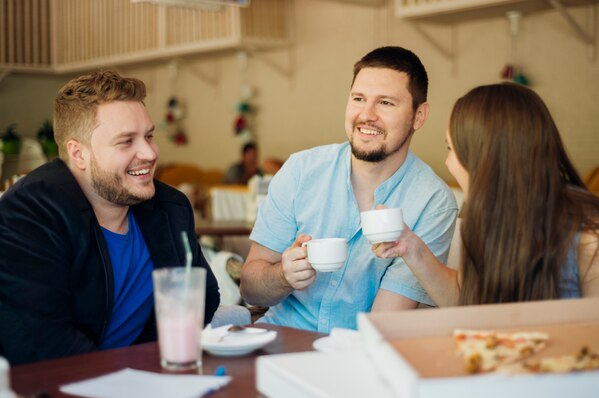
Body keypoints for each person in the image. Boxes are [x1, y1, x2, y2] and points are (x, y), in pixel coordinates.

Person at [0, 70, 220, 365]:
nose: (150, 152)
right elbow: (40, 342)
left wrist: (145, 366)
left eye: (149, 136)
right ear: (79, 154)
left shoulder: (170, 207)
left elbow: (203, 295)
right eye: (126, 142)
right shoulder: (31, 213)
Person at [240, 46, 458, 332]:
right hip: (279, 339)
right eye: (358, 99)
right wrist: (283, 275)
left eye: (386, 103)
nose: (366, 115)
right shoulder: (300, 170)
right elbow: (250, 289)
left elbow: (383, 324)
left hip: (355, 354)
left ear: (419, 115)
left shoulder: (433, 202)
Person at [373, 82, 599, 306]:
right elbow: (466, 300)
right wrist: (410, 247)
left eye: (451, 148)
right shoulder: (486, 218)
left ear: (485, 159)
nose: (447, 162)